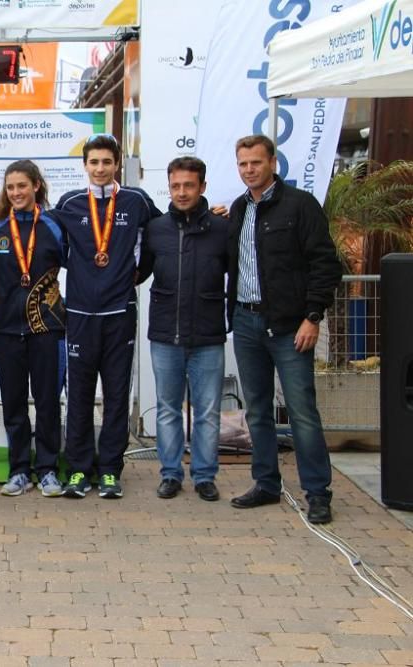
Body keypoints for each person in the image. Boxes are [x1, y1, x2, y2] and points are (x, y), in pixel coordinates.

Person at [227, 134, 342, 524]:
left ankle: (317, 493)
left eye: (256, 163)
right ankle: (266, 483)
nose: (249, 170)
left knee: (301, 411)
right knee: (257, 411)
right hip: (246, 322)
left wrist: (313, 316)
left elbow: (325, 263)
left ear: (273, 163)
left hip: (291, 325)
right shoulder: (240, 210)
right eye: (243, 164)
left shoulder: (300, 206)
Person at [56, 134, 162, 500]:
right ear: (85, 165)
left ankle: (111, 470)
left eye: (106, 162)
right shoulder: (69, 203)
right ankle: (79, 470)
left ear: (117, 163)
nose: (100, 169)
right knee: (81, 396)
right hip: (81, 313)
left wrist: (139, 273)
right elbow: (44, 238)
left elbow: (161, 236)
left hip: (119, 312)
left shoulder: (136, 201)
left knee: (117, 395)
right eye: (93, 162)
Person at [137, 157, 227, 502]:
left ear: (202, 187)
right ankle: (171, 474)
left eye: (189, 185)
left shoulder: (222, 228)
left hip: (207, 336)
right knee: (168, 408)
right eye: (175, 186)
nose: (182, 192)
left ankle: (204, 476)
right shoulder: (156, 228)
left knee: (206, 412)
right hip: (165, 335)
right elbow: (138, 272)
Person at [0, 160, 67, 497]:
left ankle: (47, 469)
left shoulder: (54, 225)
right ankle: (19, 469)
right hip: (5, 328)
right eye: (10, 187)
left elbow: (72, 260)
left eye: (22, 185)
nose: (16, 192)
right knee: (13, 402)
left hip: (46, 326)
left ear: (36, 186)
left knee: (47, 400)